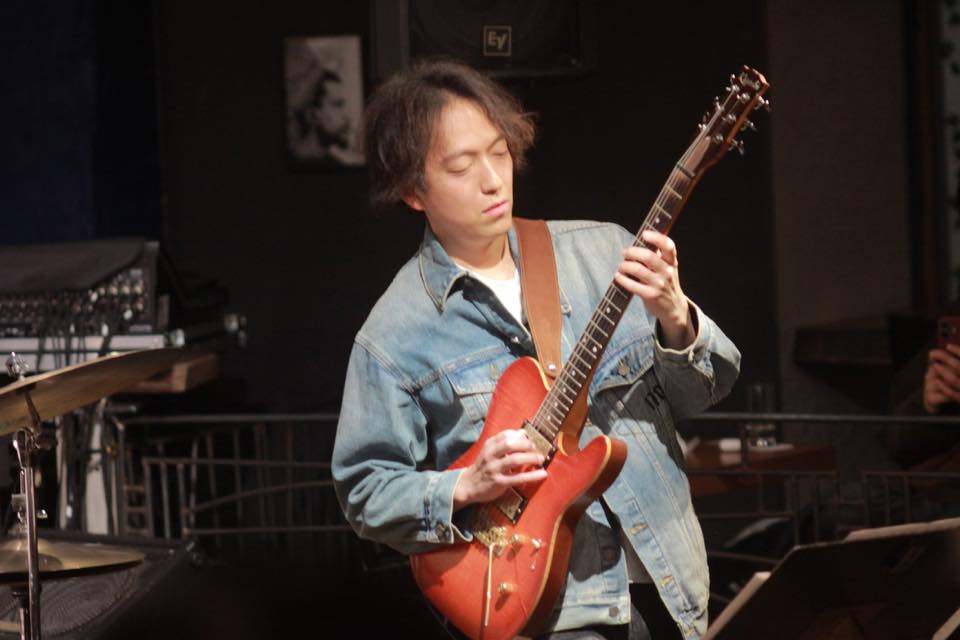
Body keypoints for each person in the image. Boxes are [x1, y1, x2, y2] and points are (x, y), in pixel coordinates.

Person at [332, 58, 741, 639]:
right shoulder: (394, 334)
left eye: (499, 153)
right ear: (412, 192)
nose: (493, 180)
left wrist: (676, 318)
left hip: (671, 590)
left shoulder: (605, 252)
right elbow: (365, 491)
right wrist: (466, 483)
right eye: (461, 166)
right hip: (549, 612)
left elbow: (706, 391)